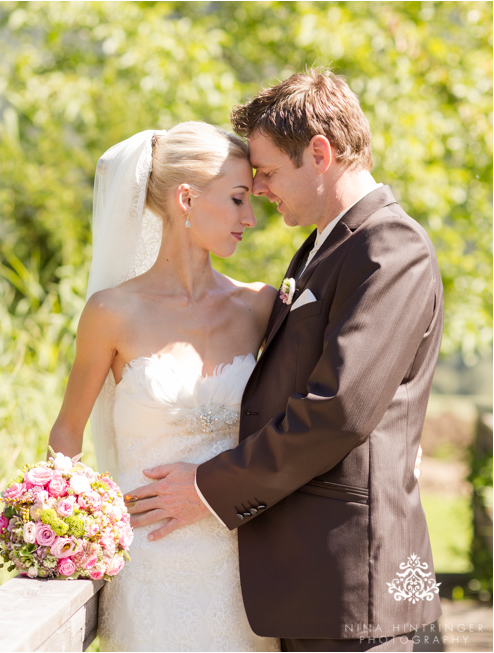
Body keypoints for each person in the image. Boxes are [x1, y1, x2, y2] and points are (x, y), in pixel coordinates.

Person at [126, 70, 444, 651]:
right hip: (307, 581)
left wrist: (206, 487)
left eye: (268, 173)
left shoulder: (390, 248)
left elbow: (339, 410)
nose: (263, 189)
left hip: (351, 581)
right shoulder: (326, 246)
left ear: (319, 154)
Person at [48, 122, 279, 651]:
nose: (251, 218)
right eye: (240, 199)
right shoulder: (111, 313)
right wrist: (62, 525)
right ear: (187, 198)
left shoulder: (260, 306)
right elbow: (67, 433)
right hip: (147, 571)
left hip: (243, 571)